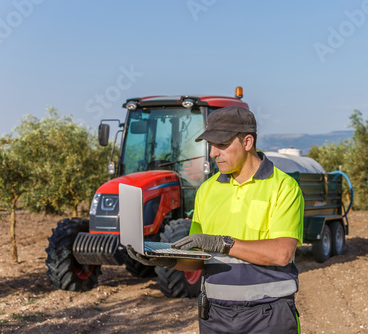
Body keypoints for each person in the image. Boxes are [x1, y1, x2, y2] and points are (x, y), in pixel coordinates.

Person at [127, 106, 304, 333]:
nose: (213, 153)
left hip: (269, 317)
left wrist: (223, 243)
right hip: (216, 317)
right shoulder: (206, 191)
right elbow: (197, 259)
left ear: (247, 142)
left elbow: (282, 253)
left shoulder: (283, 187)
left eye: (221, 144)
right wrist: (163, 259)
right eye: (211, 145)